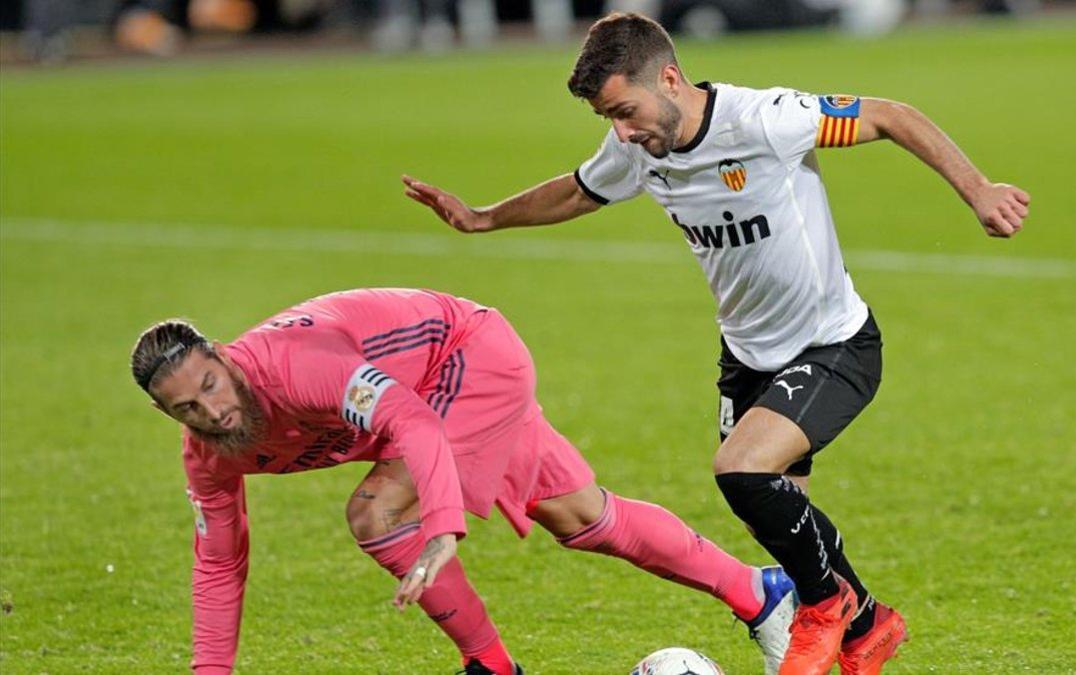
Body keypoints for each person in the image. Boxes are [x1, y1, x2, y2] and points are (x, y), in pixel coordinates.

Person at [401, 12, 1030, 675]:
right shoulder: (638, 150)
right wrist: (484, 218)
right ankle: (870, 624)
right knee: (777, 513)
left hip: (831, 344)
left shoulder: (764, 120)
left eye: (625, 110)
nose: (621, 131)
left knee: (742, 470)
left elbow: (891, 115)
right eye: (608, 119)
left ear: (669, 78)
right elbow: (580, 191)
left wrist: (978, 189)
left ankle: (825, 610)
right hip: (746, 356)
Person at [131, 287, 800, 675]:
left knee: (376, 511)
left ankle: (490, 665)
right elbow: (219, 564)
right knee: (583, 518)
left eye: (211, 384)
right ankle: (761, 591)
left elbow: (411, 423)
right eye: (187, 407)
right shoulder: (210, 453)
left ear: (221, 356)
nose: (212, 409)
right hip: (435, 390)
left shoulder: (295, 365)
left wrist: (443, 525)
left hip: (467, 360)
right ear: (166, 414)